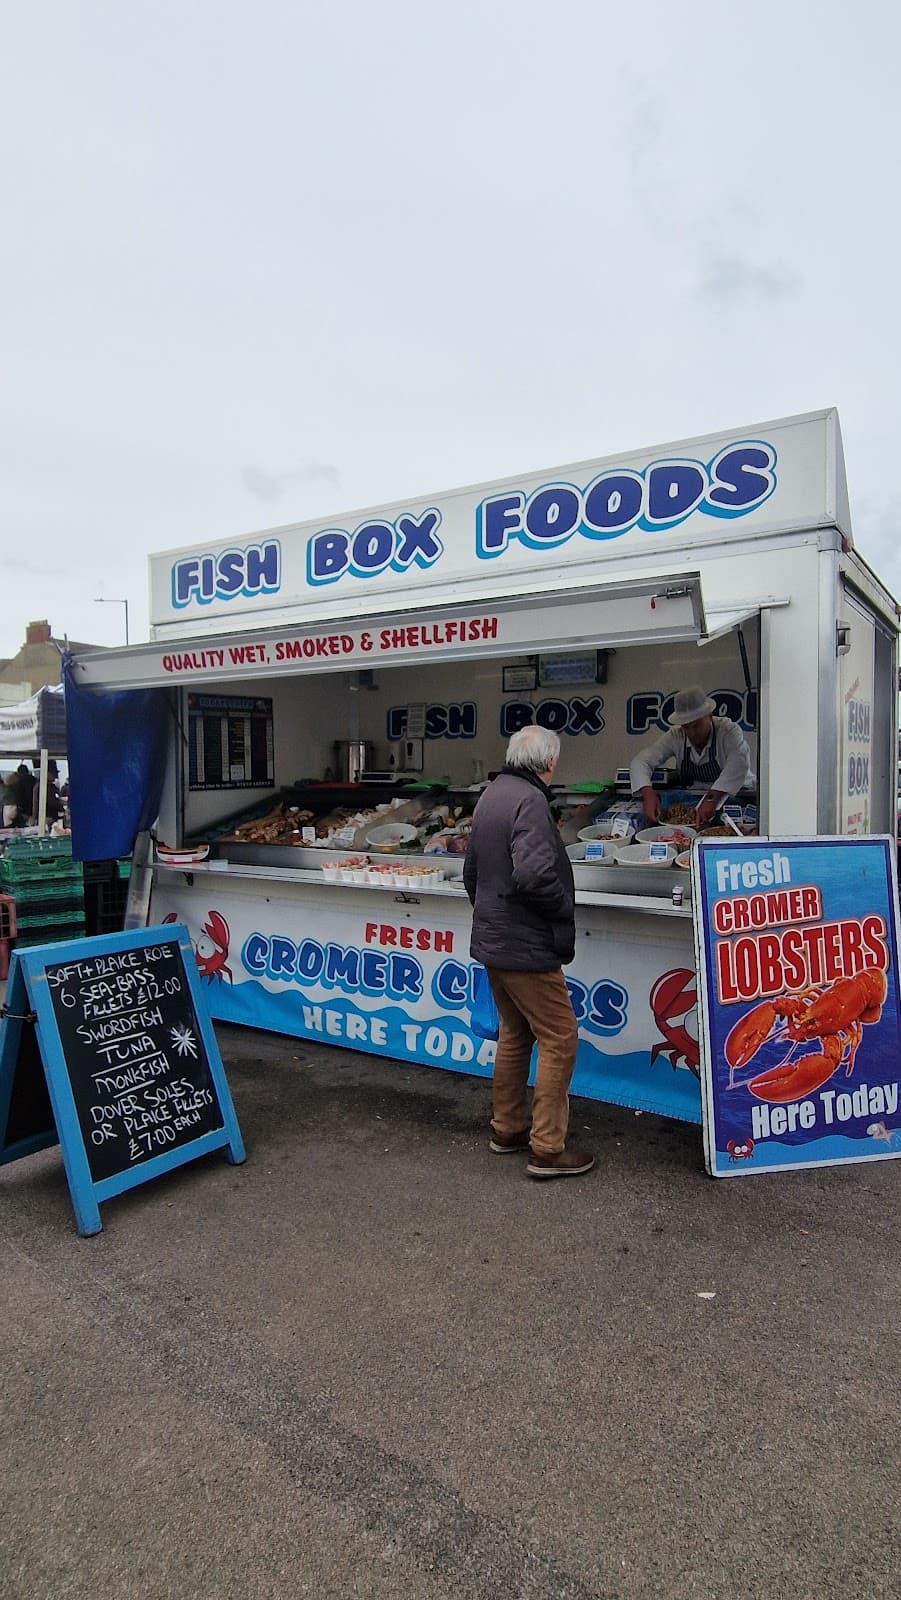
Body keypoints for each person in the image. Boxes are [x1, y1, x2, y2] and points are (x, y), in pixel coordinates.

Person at [463, 725, 594, 1180]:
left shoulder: (493, 794)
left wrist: (493, 917)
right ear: (550, 763)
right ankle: (547, 1149)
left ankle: (508, 1128)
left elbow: (472, 872)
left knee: (515, 1035)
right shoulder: (532, 801)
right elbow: (536, 874)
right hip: (526, 945)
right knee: (560, 1036)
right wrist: (562, 909)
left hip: (494, 942)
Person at [629, 685, 752, 826]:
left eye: (696, 725)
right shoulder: (676, 735)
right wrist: (647, 794)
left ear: (710, 716)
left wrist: (712, 798)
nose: (692, 732)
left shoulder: (728, 731)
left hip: (736, 796)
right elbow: (641, 761)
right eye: (686, 727)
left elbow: (739, 762)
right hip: (697, 797)